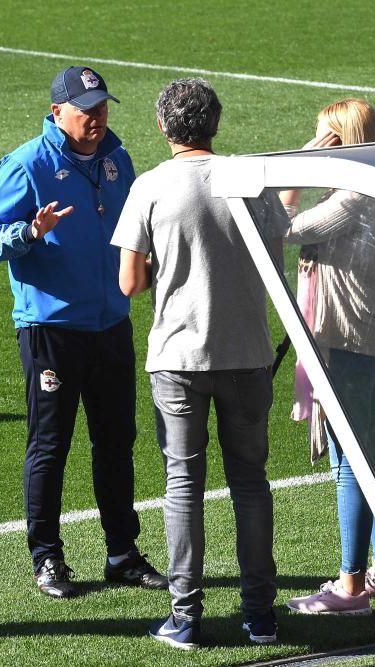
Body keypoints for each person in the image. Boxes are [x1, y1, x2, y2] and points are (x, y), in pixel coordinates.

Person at [0, 66, 167, 599]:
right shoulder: (27, 164)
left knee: (115, 441)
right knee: (50, 444)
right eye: (87, 109)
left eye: (103, 107)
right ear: (58, 112)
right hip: (51, 329)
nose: (98, 118)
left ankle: (122, 552)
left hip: (110, 324)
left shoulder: (117, 160)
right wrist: (30, 231)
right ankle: (48, 558)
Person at [112, 78, 285, 650]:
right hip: (247, 354)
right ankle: (260, 614)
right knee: (251, 484)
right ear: (215, 122)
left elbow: (130, 282)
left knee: (183, 483)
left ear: (164, 126)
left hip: (180, 357)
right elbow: (276, 261)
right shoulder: (249, 181)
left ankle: (185, 616)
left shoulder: (151, 187)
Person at [282, 98, 375, 616]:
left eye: (324, 137)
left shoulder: (353, 198)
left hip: (348, 342)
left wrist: (298, 165)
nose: (317, 144)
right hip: (370, 339)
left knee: (352, 463)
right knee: (368, 456)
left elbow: (281, 226)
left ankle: (350, 587)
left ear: (340, 141)